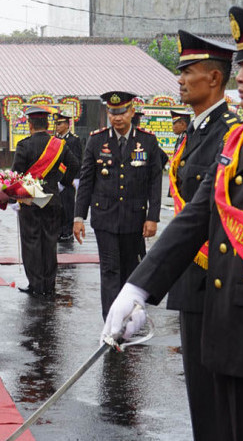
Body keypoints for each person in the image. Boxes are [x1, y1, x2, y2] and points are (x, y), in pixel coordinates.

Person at [103, 5, 243, 441]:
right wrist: (138, 288)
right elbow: (195, 217)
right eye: (242, 64)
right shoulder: (240, 139)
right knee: (219, 429)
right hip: (227, 312)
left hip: (233, 305)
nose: (242, 75)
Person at [163, 30, 238, 441]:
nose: (180, 79)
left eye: (187, 71)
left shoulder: (228, 132)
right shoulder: (194, 133)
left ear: (214, 78)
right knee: (201, 402)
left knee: (219, 402)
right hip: (193, 280)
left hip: (220, 281)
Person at [73, 91, 162, 319]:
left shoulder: (147, 141)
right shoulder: (96, 140)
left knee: (131, 273)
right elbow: (86, 182)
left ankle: (129, 320)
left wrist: (153, 217)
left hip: (134, 218)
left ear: (132, 111)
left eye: (122, 112)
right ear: (107, 113)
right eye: (112, 113)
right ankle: (111, 322)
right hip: (105, 218)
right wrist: (78, 218)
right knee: (110, 270)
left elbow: (154, 182)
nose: (117, 118)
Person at [13, 107, 80, 296]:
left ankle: (35, 284)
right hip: (52, 200)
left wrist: (14, 196)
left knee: (31, 241)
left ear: (30, 125)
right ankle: (49, 285)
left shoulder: (24, 145)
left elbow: (15, 174)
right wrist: (62, 183)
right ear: (48, 125)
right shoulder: (59, 144)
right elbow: (75, 165)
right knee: (50, 242)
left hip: (30, 200)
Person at [54, 111, 82, 242]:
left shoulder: (73, 140)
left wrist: (73, 179)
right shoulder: (56, 139)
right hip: (57, 179)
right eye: (56, 124)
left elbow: (76, 160)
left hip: (68, 179)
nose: (57, 127)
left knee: (68, 205)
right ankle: (59, 230)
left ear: (67, 124)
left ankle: (67, 231)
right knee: (59, 206)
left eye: (59, 124)